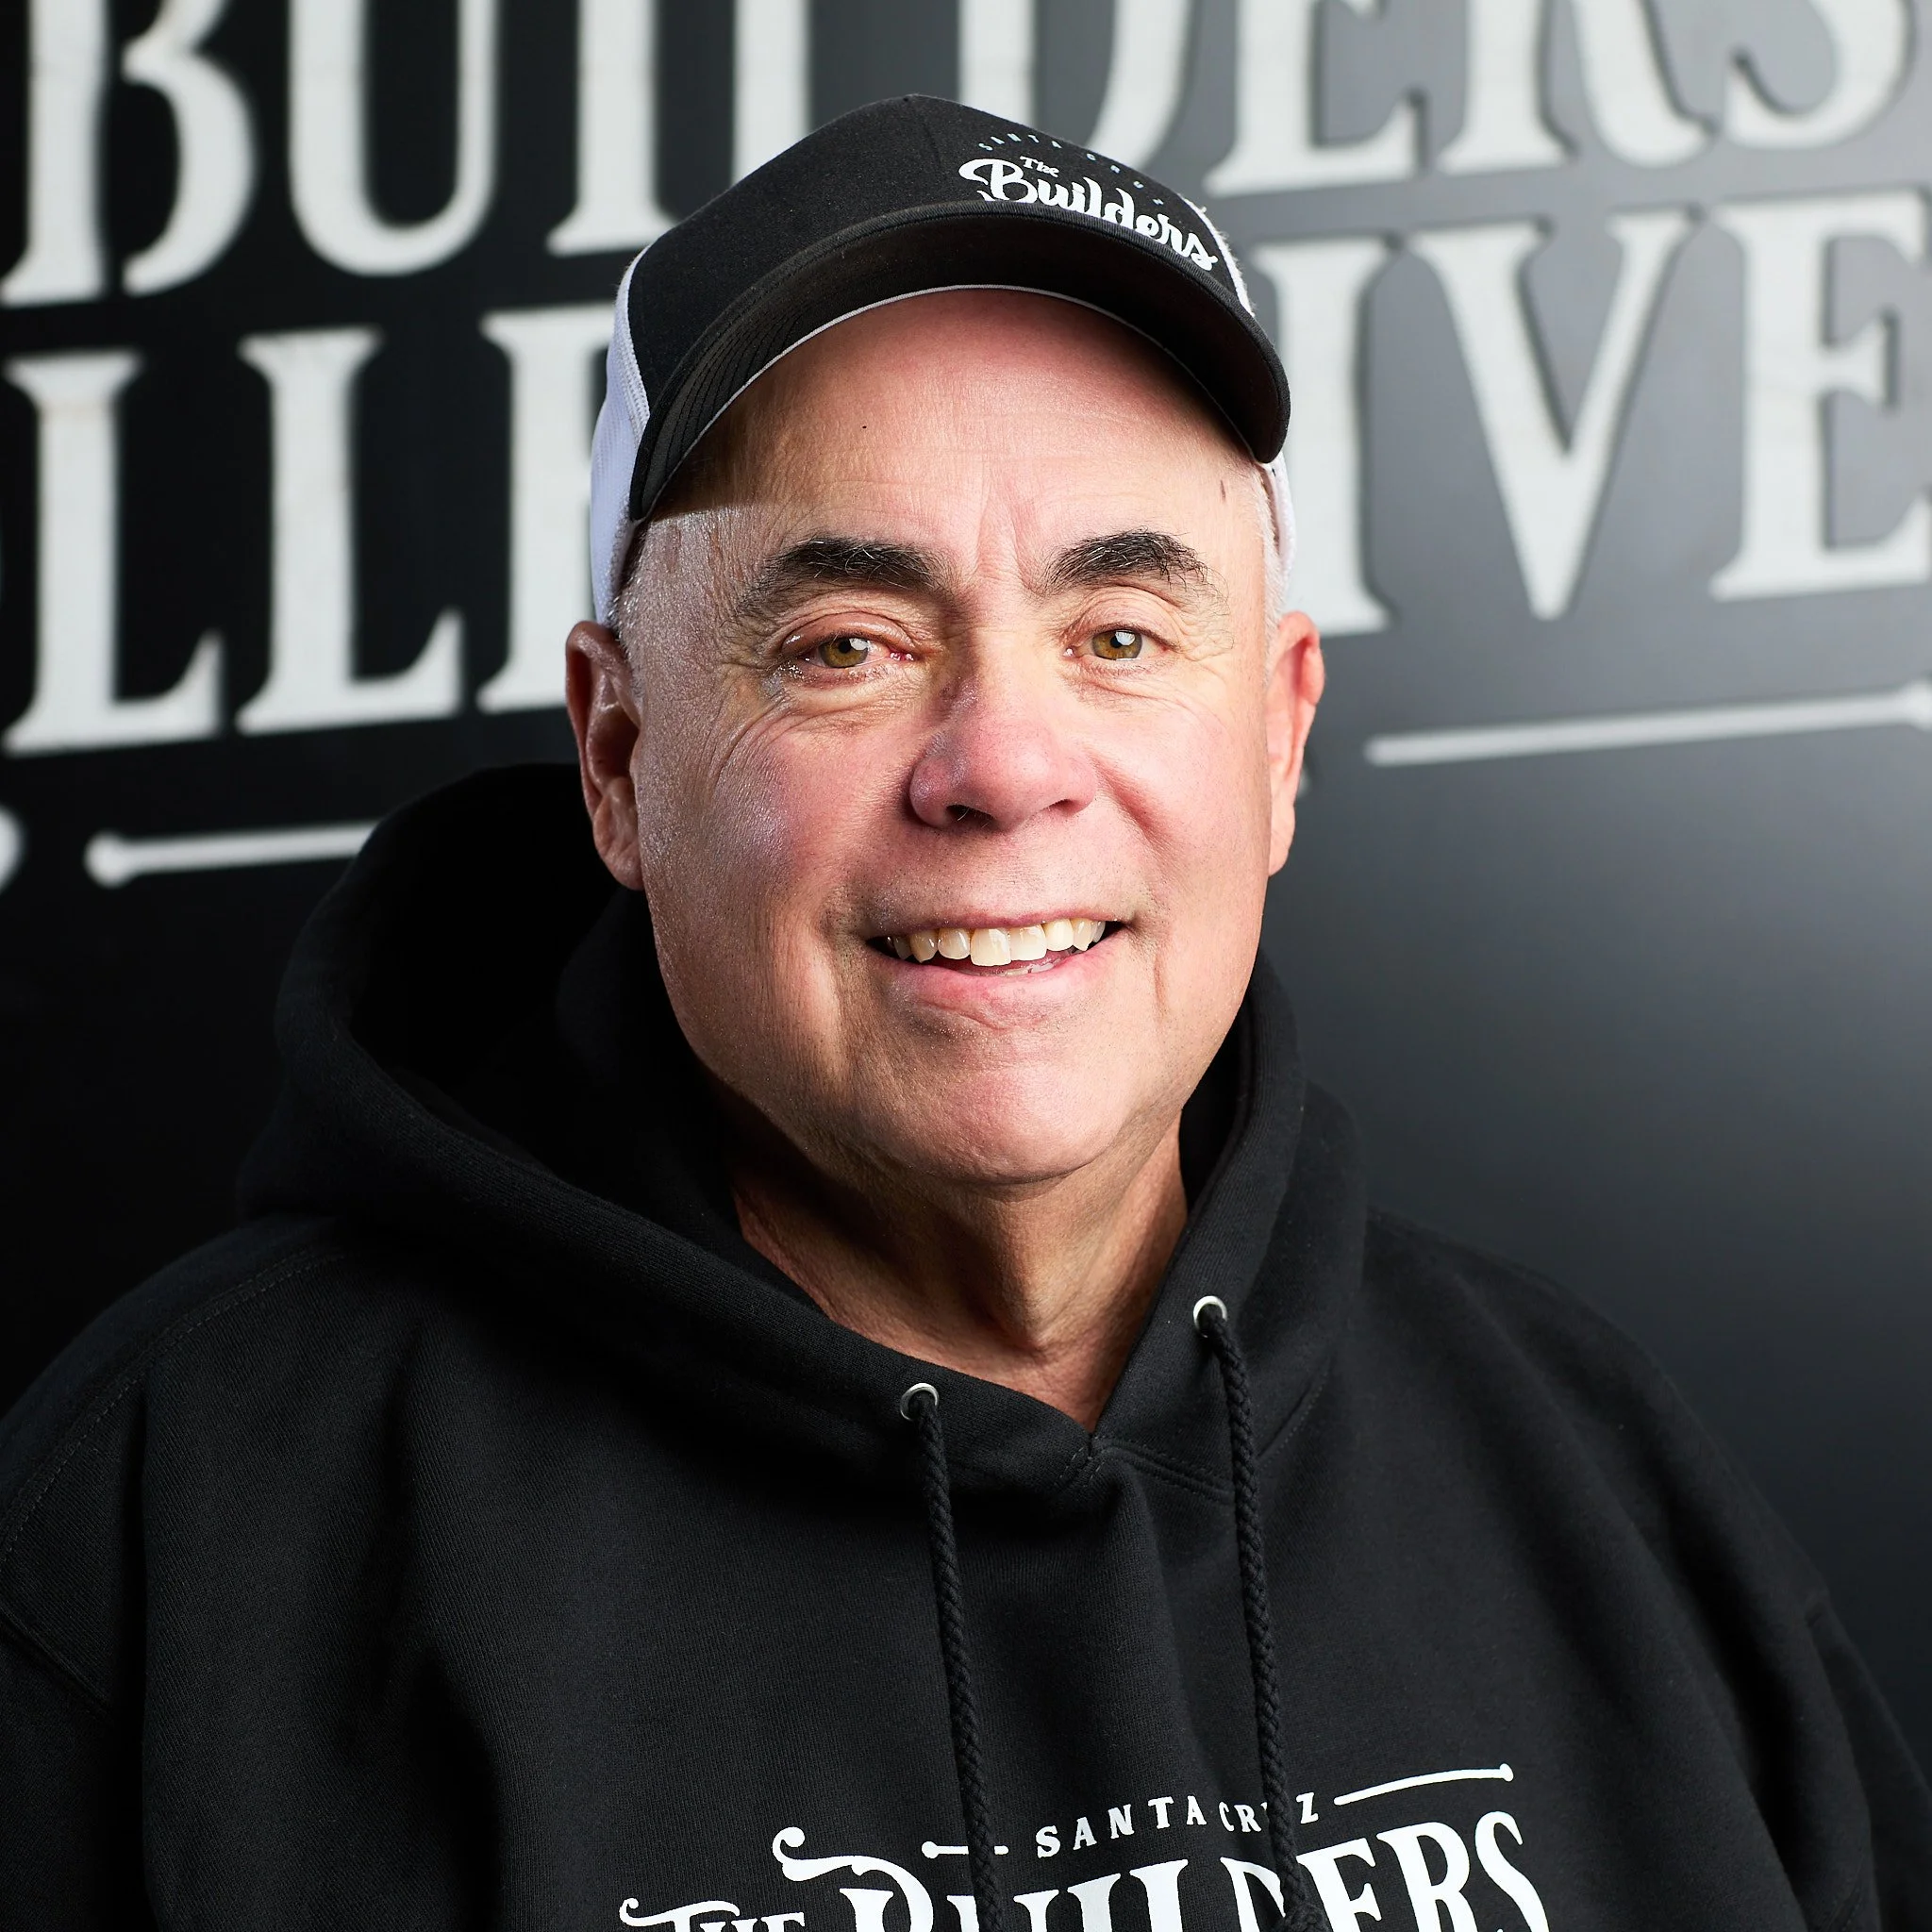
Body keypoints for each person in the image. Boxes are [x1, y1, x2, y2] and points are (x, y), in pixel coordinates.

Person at [1, 94, 1926, 1931]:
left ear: (1275, 734)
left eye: (1118, 633)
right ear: (615, 752)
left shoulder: (1591, 1472)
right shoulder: (170, 1542)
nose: (1003, 766)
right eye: (847, 646)